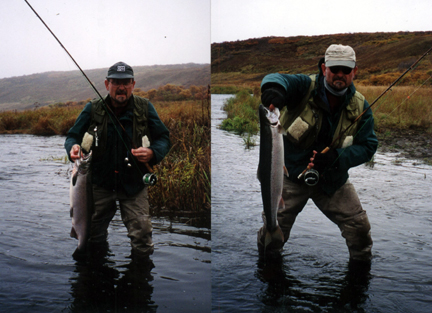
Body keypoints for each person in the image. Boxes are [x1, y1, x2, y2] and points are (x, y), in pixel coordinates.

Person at [258, 44, 377, 263]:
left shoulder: (360, 105)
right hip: (291, 176)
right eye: (334, 68)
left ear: (355, 72)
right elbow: (275, 77)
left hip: (333, 180)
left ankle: (359, 281)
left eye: (346, 69)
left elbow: (369, 146)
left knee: (359, 229)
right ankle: (268, 275)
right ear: (324, 69)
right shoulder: (304, 87)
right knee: (271, 236)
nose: (340, 74)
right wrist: (274, 89)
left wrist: (337, 158)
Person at [65, 61, 171, 260]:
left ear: (133, 84)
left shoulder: (145, 107)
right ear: (107, 84)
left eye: (126, 82)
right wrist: (72, 148)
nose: (121, 87)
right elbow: (72, 136)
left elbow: (163, 138)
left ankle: (139, 280)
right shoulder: (93, 108)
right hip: (98, 185)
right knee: (92, 237)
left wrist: (153, 153)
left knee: (142, 239)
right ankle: (94, 276)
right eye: (116, 82)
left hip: (133, 186)